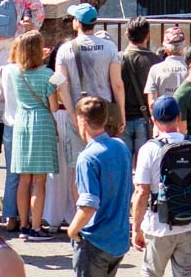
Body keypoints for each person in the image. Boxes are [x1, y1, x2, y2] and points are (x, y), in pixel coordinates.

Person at [132, 93, 191, 277]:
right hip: (190, 222)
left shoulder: (149, 149)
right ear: (178, 117)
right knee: (188, 273)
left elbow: (141, 192)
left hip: (158, 225)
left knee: (151, 273)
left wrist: (136, 228)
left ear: (154, 120)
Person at [69, 95, 133, 277]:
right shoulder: (120, 146)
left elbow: (89, 204)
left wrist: (73, 230)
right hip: (118, 240)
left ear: (82, 121)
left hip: (95, 240)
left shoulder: (87, 158)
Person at [12, 30, 66, 238]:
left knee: (24, 180)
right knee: (40, 181)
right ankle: (35, 227)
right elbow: (53, 107)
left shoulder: (15, 72)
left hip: (21, 123)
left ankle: (23, 226)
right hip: (41, 124)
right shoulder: (47, 75)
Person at [57, 5, 126, 134]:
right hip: (103, 111)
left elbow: (61, 85)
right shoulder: (110, 47)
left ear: (77, 22)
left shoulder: (64, 50)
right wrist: (121, 113)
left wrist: (72, 115)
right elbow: (117, 84)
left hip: (79, 111)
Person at [120, 19, 158, 162]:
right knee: (145, 167)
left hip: (122, 119)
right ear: (147, 36)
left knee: (124, 167)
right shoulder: (156, 61)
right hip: (145, 119)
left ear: (126, 35)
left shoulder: (118, 59)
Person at [146, 30, 189, 107]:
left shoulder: (155, 69)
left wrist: (155, 117)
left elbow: (152, 102)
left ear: (165, 48)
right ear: (183, 47)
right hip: (188, 117)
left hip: (164, 116)